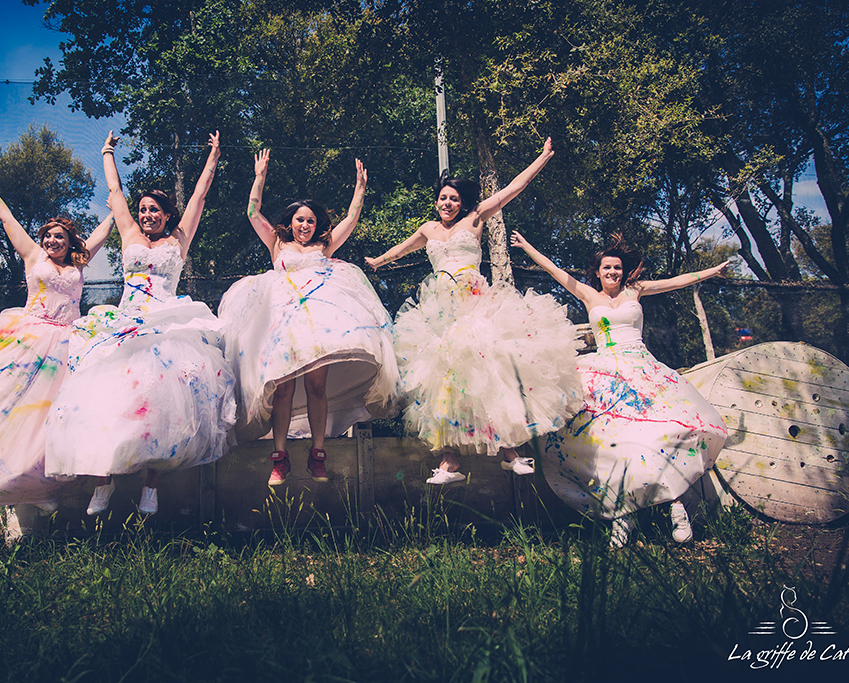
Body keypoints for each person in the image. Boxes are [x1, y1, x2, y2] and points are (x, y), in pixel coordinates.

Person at [366, 138, 582, 484]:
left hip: (475, 302)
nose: (448, 203)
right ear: (436, 203)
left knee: (489, 366)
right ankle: (449, 462)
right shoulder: (429, 230)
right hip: (440, 310)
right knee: (443, 377)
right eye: (442, 198)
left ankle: (511, 453)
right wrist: (378, 260)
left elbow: (515, 187)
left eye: (453, 198)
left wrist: (541, 158)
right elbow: (401, 249)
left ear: (462, 201)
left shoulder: (477, 217)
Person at [45, 131, 236, 516]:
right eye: (144, 209)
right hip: (126, 320)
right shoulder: (129, 232)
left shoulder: (178, 240)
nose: (147, 215)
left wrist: (214, 155)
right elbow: (115, 192)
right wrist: (107, 152)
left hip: (164, 323)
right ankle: (104, 481)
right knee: (106, 398)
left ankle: (151, 487)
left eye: (155, 210)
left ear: (167, 216)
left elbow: (199, 195)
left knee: (159, 405)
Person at [511, 231, 729, 547]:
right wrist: (527, 245)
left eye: (617, 268)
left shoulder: (635, 290)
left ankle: (676, 508)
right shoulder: (588, 294)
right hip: (604, 375)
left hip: (642, 369)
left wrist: (712, 271)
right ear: (597, 273)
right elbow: (553, 270)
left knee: (661, 435)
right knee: (612, 445)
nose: (612, 272)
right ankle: (621, 519)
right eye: (606, 268)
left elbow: (679, 281)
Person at [218, 149, 399, 486]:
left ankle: (318, 455)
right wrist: (260, 176)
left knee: (318, 386)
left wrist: (360, 189)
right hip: (282, 325)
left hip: (318, 325)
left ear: (317, 225)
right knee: (283, 388)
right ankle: (280, 457)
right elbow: (252, 211)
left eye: (311, 220)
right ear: (291, 222)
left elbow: (351, 221)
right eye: (300, 219)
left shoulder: (323, 247)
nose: (305, 225)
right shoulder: (277, 243)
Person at [0, 183, 113, 542]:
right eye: (48, 237)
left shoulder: (80, 261)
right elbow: (8, 219)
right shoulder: (33, 257)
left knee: (57, 418)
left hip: (68, 343)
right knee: (20, 416)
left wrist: (116, 209)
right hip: (30, 343)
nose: (52, 242)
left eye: (59, 237)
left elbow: (105, 232)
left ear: (70, 241)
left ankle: (48, 488)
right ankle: (17, 492)